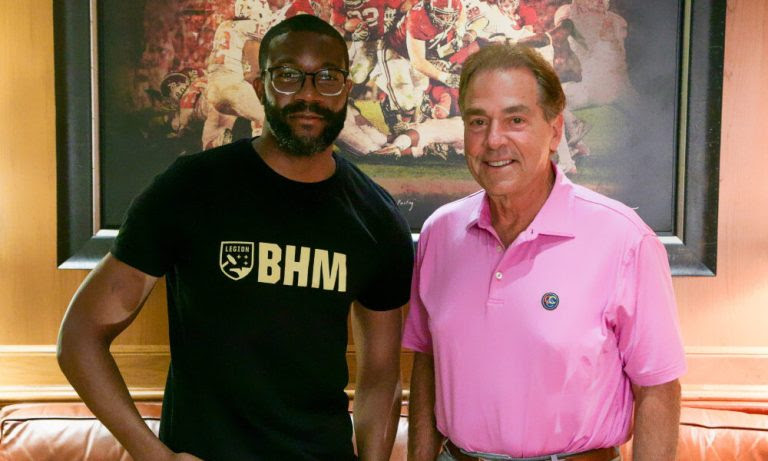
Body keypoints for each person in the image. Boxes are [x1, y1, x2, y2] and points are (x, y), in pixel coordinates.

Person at [57, 14, 414, 461]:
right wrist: (154, 455)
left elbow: (381, 376)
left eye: (326, 77)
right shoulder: (191, 187)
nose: (307, 94)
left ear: (344, 89)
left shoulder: (376, 217)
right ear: (260, 86)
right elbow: (79, 337)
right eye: (288, 76)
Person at [403, 43, 685, 461]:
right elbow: (427, 363)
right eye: (478, 121)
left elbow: (659, 389)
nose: (493, 140)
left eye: (515, 119)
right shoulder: (439, 233)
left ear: (554, 131)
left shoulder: (624, 239)